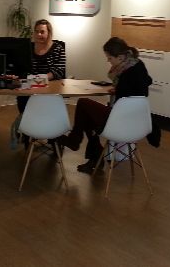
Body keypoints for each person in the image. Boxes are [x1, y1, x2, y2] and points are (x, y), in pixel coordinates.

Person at [59, 36, 152, 173]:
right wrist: (119, 89)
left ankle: (77, 142)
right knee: (88, 115)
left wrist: (120, 89)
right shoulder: (137, 64)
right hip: (138, 121)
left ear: (120, 57)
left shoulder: (126, 72)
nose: (108, 61)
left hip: (121, 119)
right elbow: (145, 83)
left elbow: (129, 89)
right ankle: (93, 156)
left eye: (110, 58)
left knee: (83, 103)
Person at [12, 19, 66, 147]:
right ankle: (28, 131)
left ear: (49, 33)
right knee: (22, 98)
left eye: (42, 32)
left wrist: (39, 79)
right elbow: (22, 68)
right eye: (36, 32)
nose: (39, 35)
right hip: (30, 87)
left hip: (50, 89)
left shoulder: (57, 48)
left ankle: (53, 136)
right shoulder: (28, 48)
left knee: (45, 106)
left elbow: (59, 71)